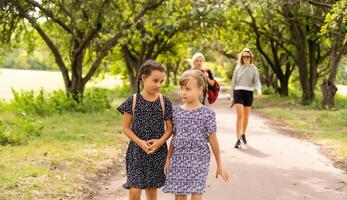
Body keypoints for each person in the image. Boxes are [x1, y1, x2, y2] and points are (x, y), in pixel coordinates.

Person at [162, 69, 230, 200]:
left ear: (200, 89)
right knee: (180, 197)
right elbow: (175, 137)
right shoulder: (176, 112)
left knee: (196, 197)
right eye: (182, 88)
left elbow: (213, 139)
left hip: (199, 159)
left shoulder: (207, 114)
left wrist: (219, 164)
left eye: (188, 89)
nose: (183, 92)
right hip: (179, 159)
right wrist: (168, 158)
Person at [117, 60, 174, 200]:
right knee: (135, 190)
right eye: (155, 80)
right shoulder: (133, 101)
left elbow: (170, 128)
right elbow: (125, 128)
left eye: (161, 81)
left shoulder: (164, 101)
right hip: (136, 151)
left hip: (157, 152)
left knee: (151, 190)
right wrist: (140, 142)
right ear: (143, 78)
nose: (158, 85)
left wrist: (159, 143)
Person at [230, 48, 262, 148]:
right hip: (238, 92)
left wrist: (259, 90)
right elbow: (233, 83)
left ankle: (243, 133)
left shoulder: (254, 69)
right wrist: (232, 96)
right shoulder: (238, 68)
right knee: (240, 115)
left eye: (248, 56)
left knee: (246, 116)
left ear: (250, 58)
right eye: (244, 56)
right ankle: (238, 139)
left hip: (249, 93)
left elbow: (257, 81)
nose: (246, 58)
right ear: (242, 58)